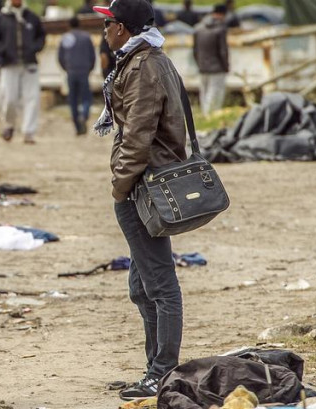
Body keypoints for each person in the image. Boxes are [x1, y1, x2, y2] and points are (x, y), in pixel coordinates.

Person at [93, 0, 189, 401]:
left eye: (108, 22)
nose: (103, 29)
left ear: (123, 27)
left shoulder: (143, 66)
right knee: (141, 286)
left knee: (160, 284)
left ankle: (163, 371)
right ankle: (155, 367)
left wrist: (120, 186)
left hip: (144, 186)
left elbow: (138, 134)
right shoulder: (143, 58)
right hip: (145, 181)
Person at [0, 0, 46, 144]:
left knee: (32, 98)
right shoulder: (0, 18)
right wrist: (2, 51)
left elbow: (41, 37)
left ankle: (28, 132)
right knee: (9, 98)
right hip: (9, 64)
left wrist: (34, 48)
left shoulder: (31, 17)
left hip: (30, 63)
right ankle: (9, 125)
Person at [58, 16, 96, 135]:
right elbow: (92, 56)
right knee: (85, 97)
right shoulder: (86, 37)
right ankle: (84, 115)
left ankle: (77, 125)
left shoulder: (66, 37)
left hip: (71, 71)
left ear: (69, 25)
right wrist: (89, 68)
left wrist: (66, 68)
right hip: (83, 71)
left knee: (73, 98)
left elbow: (60, 57)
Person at [193, 4, 230, 117]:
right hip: (217, 68)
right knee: (215, 94)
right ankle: (211, 117)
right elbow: (223, 51)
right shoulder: (220, 28)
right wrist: (226, 66)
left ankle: (205, 115)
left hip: (202, 67)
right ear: (222, 14)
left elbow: (195, 50)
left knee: (204, 94)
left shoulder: (198, 28)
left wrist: (199, 64)